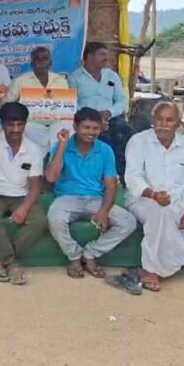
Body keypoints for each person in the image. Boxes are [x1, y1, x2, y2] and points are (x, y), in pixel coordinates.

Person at [0, 88, 48, 285]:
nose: (15, 129)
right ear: (2, 125)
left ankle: (1, 260)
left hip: (20, 195)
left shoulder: (34, 149)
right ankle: (12, 263)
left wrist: (24, 208)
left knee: (40, 220)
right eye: (10, 125)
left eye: (20, 124)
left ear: (25, 125)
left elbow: (36, 186)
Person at [45, 107, 137, 279]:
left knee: (128, 222)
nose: (91, 132)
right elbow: (51, 177)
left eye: (95, 128)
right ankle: (74, 257)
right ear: (75, 127)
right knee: (55, 219)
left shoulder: (105, 150)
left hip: (95, 199)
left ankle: (90, 254)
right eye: (86, 127)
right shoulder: (62, 145)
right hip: (67, 198)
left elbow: (111, 186)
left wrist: (104, 210)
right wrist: (63, 146)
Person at [124, 102, 184, 291]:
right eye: (159, 119)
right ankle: (151, 270)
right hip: (143, 198)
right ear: (153, 120)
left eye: (169, 120)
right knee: (160, 213)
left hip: (180, 199)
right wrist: (153, 195)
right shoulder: (138, 141)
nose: (163, 124)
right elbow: (133, 178)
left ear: (179, 123)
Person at [69, 42, 134, 182]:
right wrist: (93, 117)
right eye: (102, 54)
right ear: (90, 56)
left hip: (111, 118)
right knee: (97, 135)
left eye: (107, 55)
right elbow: (72, 103)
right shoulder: (75, 77)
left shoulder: (112, 76)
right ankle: (103, 177)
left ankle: (122, 177)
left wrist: (109, 112)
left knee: (125, 131)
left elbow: (121, 100)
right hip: (86, 119)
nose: (106, 58)